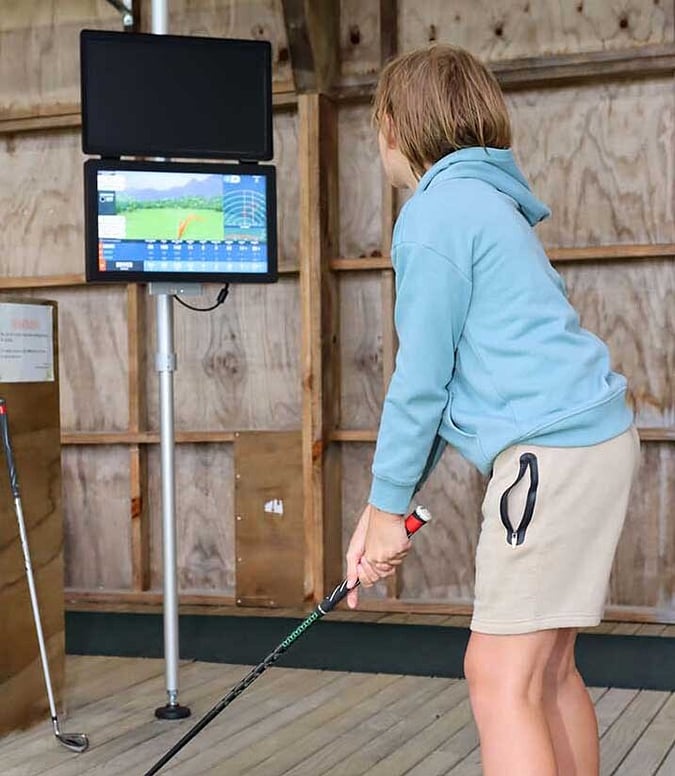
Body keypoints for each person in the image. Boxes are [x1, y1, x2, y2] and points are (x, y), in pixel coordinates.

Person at [345, 45, 639, 776]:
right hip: (590, 443)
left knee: (498, 677)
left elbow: (420, 379)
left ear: (391, 126)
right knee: (545, 672)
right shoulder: (488, 202)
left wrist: (386, 504)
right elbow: (453, 388)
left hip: (550, 454)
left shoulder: (434, 212)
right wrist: (385, 505)